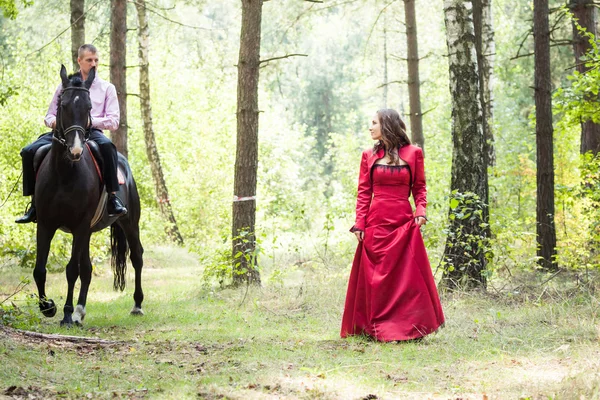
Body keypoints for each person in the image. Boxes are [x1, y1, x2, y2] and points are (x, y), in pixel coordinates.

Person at [340, 108, 444, 342]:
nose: (370, 127)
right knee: (376, 277)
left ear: (387, 125)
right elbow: (364, 192)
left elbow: (419, 187)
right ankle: (376, 326)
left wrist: (421, 210)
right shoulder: (368, 155)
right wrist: (359, 224)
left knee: (405, 277)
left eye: (374, 122)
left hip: (404, 221)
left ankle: (409, 327)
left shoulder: (414, 152)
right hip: (376, 222)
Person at [16, 44, 127, 223]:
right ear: (79, 61)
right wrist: (52, 121)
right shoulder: (64, 86)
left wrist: (91, 122)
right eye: (89, 60)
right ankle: (34, 204)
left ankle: (113, 198)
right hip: (64, 131)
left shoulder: (107, 88)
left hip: (92, 131)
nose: (93, 63)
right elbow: (50, 114)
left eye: (96, 60)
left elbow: (114, 121)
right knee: (28, 151)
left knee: (107, 147)